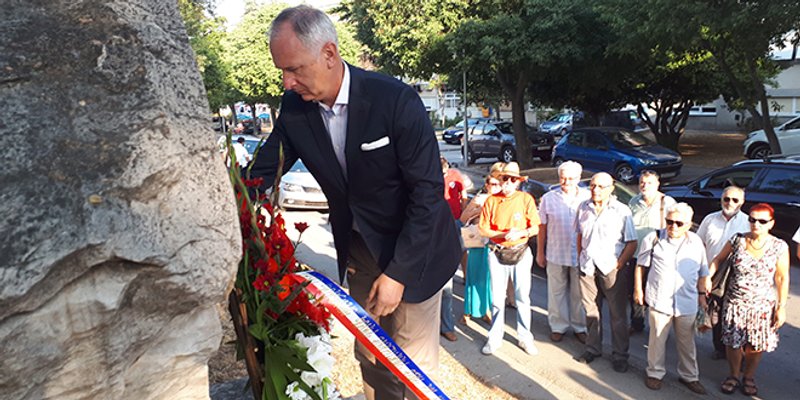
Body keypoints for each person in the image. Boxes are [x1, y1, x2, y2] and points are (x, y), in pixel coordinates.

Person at [250, 6, 461, 399]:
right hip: (360, 251)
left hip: (418, 251)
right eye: (281, 70)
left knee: (410, 367)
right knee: (370, 354)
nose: (286, 82)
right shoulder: (295, 110)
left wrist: (398, 274)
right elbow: (261, 174)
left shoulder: (394, 100)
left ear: (329, 54)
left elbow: (427, 195)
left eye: (294, 69)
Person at [708, 203, 790, 396]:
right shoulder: (737, 240)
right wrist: (707, 278)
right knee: (733, 343)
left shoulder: (779, 246)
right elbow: (718, 259)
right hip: (735, 302)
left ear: (771, 223)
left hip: (762, 305)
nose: (756, 224)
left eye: (762, 221)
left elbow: (782, 277)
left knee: (755, 344)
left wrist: (781, 306)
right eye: (752, 219)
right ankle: (734, 375)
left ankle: (749, 377)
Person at [634, 203, 708, 394]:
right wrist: (638, 290)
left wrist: (702, 296)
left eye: (678, 223)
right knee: (657, 340)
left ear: (689, 224)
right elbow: (640, 266)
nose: (673, 226)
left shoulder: (696, 242)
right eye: (669, 221)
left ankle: (689, 376)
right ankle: (654, 373)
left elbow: (702, 271)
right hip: (660, 299)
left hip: (687, 301)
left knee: (687, 343)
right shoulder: (654, 238)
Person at [574, 172, 637, 373]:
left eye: (601, 186)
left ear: (611, 188)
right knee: (591, 311)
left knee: (617, 314)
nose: (596, 190)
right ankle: (593, 348)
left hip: (611, 268)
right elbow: (579, 235)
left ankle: (620, 355)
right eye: (593, 186)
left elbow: (632, 242)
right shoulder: (583, 207)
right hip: (587, 266)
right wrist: (580, 257)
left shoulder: (622, 211)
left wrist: (618, 265)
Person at [478, 162, 540, 356]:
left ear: (518, 182)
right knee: (497, 299)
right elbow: (483, 229)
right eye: (505, 178)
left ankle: (525, 337)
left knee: (522, 297)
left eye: (513, 179)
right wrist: (503, 235)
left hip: (521, 251)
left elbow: (536, 227)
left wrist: (521, 232)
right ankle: (495, 338)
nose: (508, 183)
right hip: (497, 252)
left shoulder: (525, 199)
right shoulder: (491, 201)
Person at [535, 161, 589, 344]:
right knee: (556, 292)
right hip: (556, 253)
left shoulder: (588, 197)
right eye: (563, 178)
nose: (566, 182)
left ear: (579, 179)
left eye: (571, 178)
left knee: (578, 294)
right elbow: (541, 227)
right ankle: (558, 326)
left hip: (580, 255)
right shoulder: (548, 198)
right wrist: (540, 253)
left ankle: (580, 326)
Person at [696, 186, 749, 360]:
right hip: (712, 273)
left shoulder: (748, 222)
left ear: (742, 202)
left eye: (735, 200)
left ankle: (737, 353)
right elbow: (700, 245)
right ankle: (720, 349)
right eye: (726, 199)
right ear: (721, 199)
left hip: (736, 277)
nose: (730, 203)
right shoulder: (710, 219)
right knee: (715, 313)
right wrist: (703, 274)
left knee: (735, 317)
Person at [628, 170, 676, 334]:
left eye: (649, 182)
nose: (644, 185)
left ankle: (659, 328)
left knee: (658, 291)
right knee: (635, 290)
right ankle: (636, 324)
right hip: (636, 254)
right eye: (642, 182)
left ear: (657, 184)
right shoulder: (634, 201)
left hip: (658, 256)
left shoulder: (667, 202)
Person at [459, 163, 504, 326]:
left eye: (499, 184)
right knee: (474, 276)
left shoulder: (502, 200)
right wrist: (479, 211)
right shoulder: (480, 198)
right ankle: (468, 310)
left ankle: (486, 310)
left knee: (488, 279)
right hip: (478, 241)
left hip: (494, 243)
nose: (496, 187)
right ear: (487, 185)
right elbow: (463, 218)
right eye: (492, 184)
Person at [440, 157, 468, 342]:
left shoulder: (455, 175)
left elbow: (463, 194)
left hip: (456, 222)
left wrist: (463, 217)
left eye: (444, 171)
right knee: (444, 287)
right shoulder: (429, 177)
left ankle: (447, 326)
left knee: (462, 251)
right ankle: (443, 325)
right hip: (438, 228)